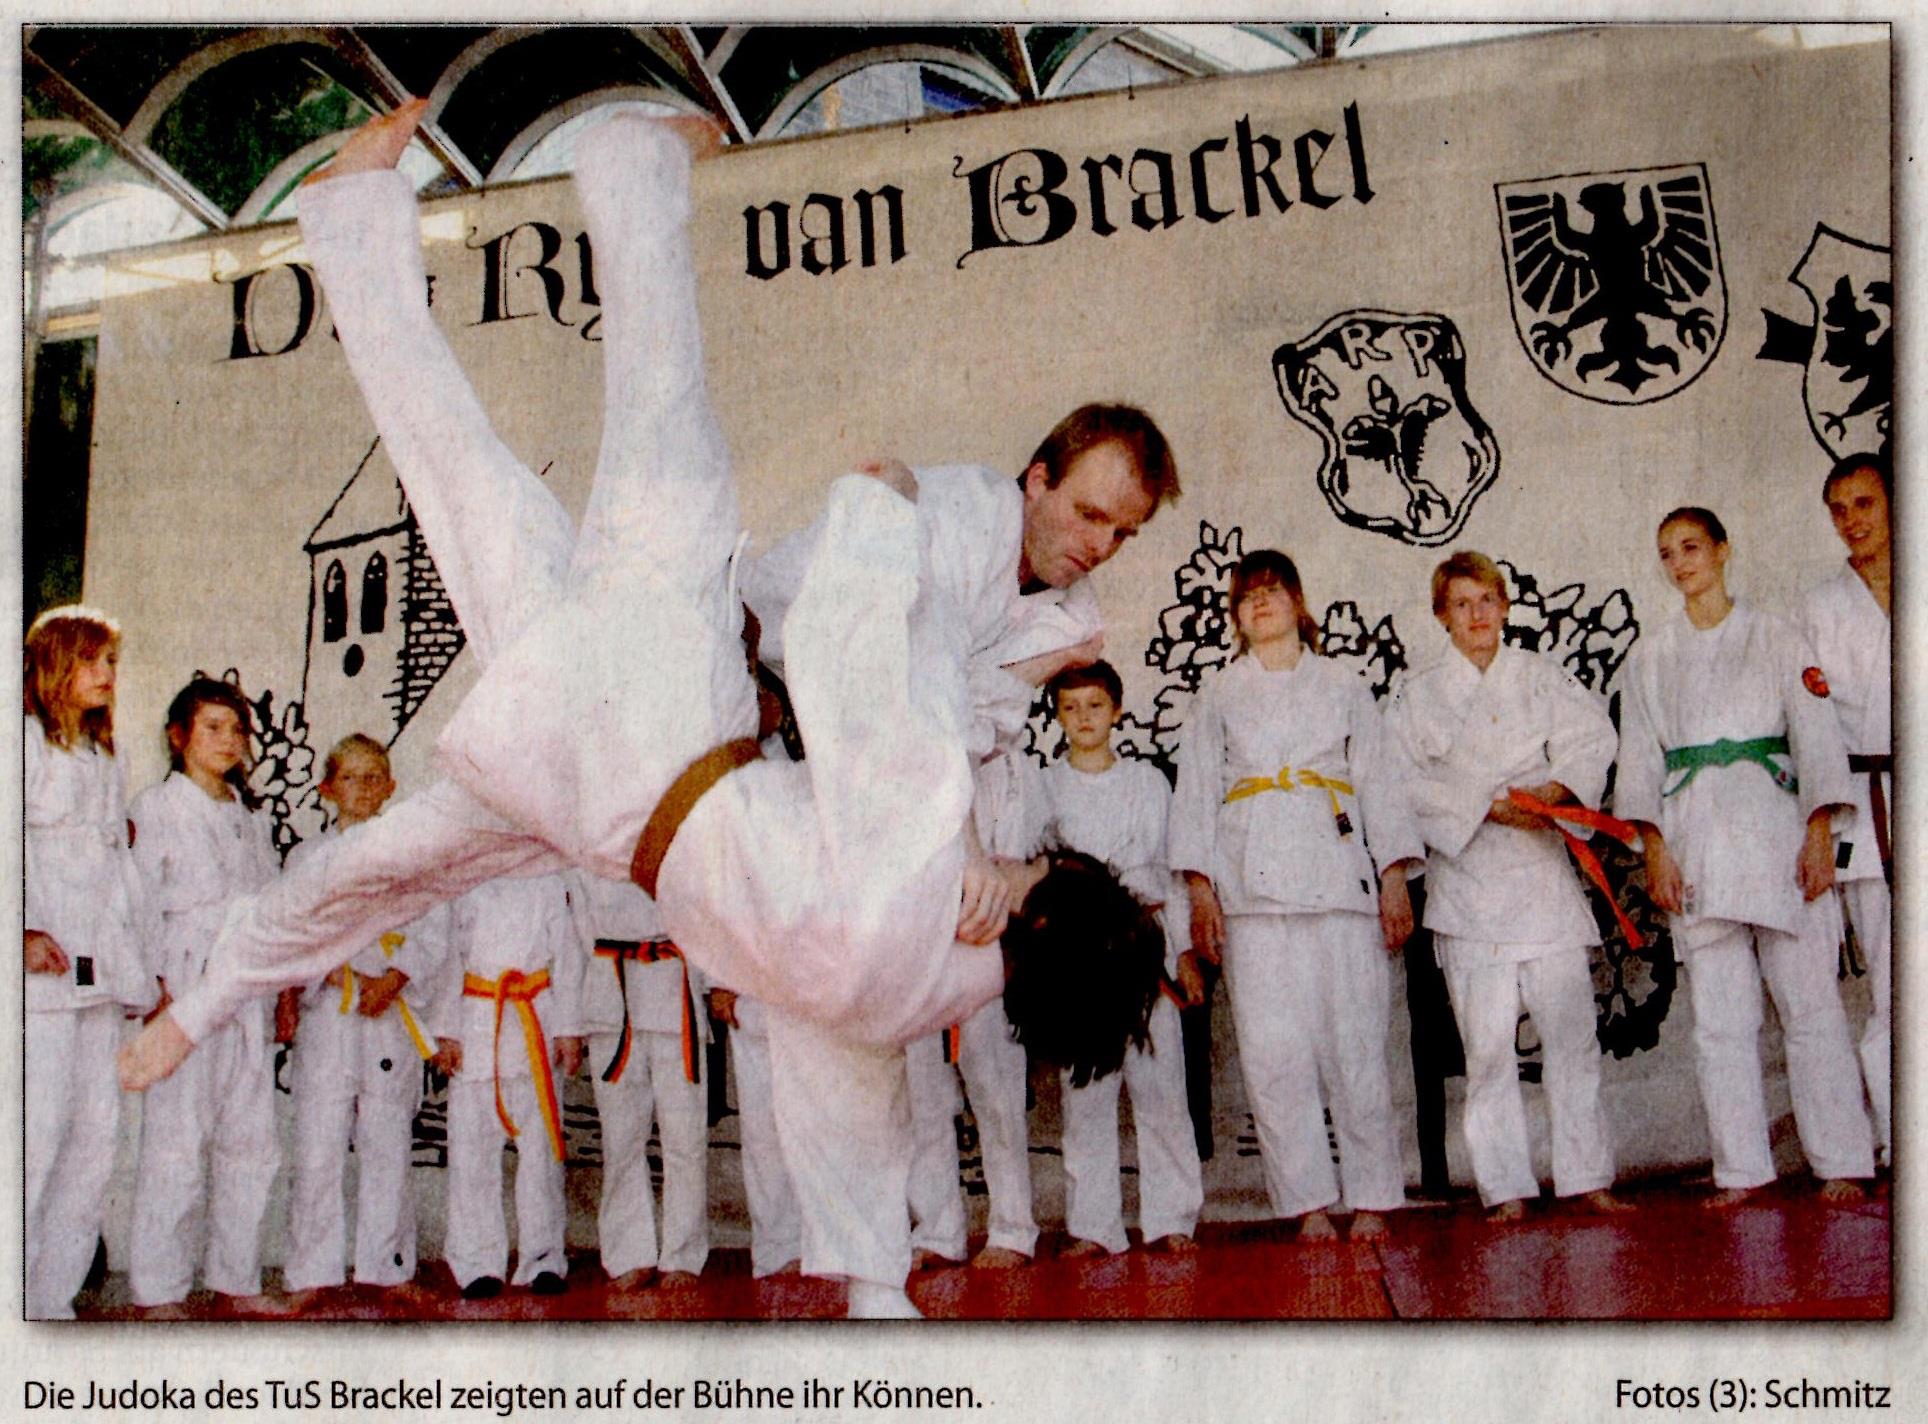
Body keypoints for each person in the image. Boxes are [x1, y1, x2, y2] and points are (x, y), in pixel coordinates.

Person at [119, 103, 1163, 1317]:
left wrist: (876, 518)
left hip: (671, 695)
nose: (1100, 547)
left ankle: (621, 162)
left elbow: (858, 659)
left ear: (1040, 900)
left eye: (1118, 531)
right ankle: (361, 215)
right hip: (594, 804)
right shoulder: (909, 998)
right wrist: (875, 1282)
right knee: (387, 813)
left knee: (657, 414)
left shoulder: (932, 841)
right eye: (1096, 517)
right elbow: (853, 1113)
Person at [1617, 507, 1874, 1206]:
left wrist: (1820, 832)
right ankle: (1741, 1171)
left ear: (1724, 550)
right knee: (1720, 1023)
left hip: (1778, 833)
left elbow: (1817, 740)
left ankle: (1843, 1160)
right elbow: (1640, 763)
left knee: (1812, 1006)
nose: (1680, 564)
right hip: (1696, 838)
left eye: (1692, 547)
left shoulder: (1779, 637)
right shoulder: (1650, 655)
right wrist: (1656, 852)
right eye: (1667, 553)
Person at [1171, 550, 1421, 1241]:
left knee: (1357, 1045)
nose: (1260, 604)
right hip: (1251, 888)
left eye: (1273, 591)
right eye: (1246, 597)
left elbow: (1380, 781)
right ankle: (1306, 1200)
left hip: (1340, 878)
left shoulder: (1343, 684)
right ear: (1235, 617)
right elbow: (1194, 795)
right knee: (1274, 1053)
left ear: (1299, 601)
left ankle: (1373, 1195)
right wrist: (1200, 890)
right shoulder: (1219, 693)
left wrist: (1394, 875)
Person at [1385, 552, 1627, 1222]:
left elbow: (1592, 739)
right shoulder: (1417, 692)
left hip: (1543, 878)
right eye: (1461, 605)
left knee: (1572, 1040)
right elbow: (1403, 780)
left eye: (1487, 600)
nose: (1477, 616)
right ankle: (1505, 1189)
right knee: (1487, 1051)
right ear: (1443, 616)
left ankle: (1586, 1178)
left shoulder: (1540, 674)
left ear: (1505, 606)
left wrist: (1553, 794)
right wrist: (1486, 806)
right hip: (1469, 886)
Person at [126, 676, 285, 1314]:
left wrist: (282, 991)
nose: (228, 740)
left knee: (251, 1141)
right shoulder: (154, 808)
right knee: (176, 1142)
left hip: (245, 986)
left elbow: (271, 909)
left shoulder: (249, 818)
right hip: (184, 982)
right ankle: (159, 1286)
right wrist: (156, 988)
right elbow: (137, 908)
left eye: (236, 728)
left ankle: (235, 1278)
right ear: (179, 736)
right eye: (213, 727)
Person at [279, 734, 453, 1306]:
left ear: (391, 787)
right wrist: (329, 976)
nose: (362, 788)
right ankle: (312, 1274)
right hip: (329, 1010)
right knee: (318, 1143)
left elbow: (431, 927)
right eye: (349, 777)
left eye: (374, 776)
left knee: (386, 1141)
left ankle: (389, 1268)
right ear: (328, 788)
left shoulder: (410, 854)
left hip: (388, 1010)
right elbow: (294, 930)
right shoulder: (306, 858)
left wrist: (394, 979)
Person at [1039, 661, 1203, 1255]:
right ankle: (1094, 1228)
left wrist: (1183, 955)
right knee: (1086, 1093)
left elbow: (1171, 875)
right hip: (1079, 951)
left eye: (1095, 705)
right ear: (1056, 717)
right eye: (1071, 707)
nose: (1084, 718)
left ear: (1117, 710)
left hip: (1145, 940)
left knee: (1161, 1087)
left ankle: (1173, 1220)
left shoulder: (1147, 783)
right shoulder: (1045, 786)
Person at [23, 606, 157, 1320]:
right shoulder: (20, 743)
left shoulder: (111, 759)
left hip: (99, 978)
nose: (108, 676)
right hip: (36, 978)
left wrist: (143, 970)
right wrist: (19, 931)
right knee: (34, 1139)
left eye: (112, 664)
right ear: (56, 667)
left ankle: (51, 1301)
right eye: (94, 662)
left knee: (93, 1143)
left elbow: (122, 873)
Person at [1799, 452, 1891, 1168]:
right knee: (1892, 983)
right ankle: (1898, 1137)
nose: (1851, 521)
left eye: (1863, 503)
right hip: (1868, 800)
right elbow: (1816, 723)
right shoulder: (1821, 607)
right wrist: (1823, 822)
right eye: (1839, 509)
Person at [433, 872, 585, 1298]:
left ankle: (544, 1259)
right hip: (477, 1023)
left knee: (541, 1154)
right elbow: (447, 958)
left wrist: (569, 1028)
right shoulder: (463, 876)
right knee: (472, 1154)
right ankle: (477, 1262)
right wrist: (445, 1030)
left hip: (534, 1019)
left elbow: (569, 957)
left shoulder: (548, 878)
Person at [575, 873, 711, 1293]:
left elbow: (707, 916)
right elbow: (577, 929)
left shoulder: (677, 838)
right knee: (621, 1138)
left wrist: (710, 983)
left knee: (685, 1137)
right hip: (611, 993)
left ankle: (682, 1254)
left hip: (673, 990)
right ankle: (629, 1252)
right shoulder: (586, 851)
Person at [707, 983, 803, 1279]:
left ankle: (835, 1248)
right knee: (762, 1134)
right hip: (751, 994)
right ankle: (778, 1249)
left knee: (826, 1131)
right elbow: (722, 933)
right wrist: (717, 983)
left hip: (817, 991)